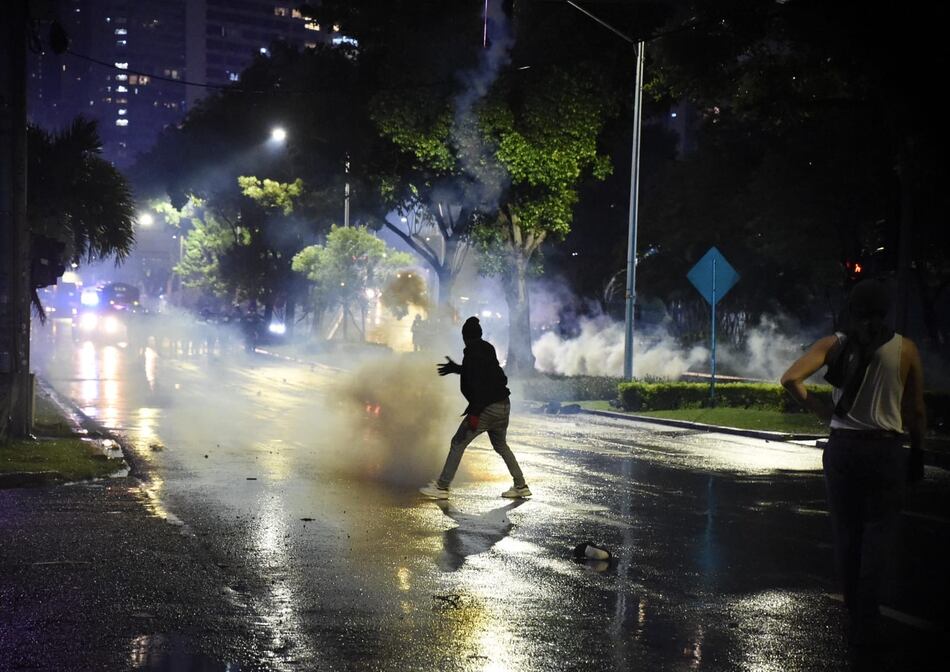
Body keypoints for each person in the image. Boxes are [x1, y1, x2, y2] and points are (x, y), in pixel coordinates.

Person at [780, 278, 927, 647]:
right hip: (886, 451)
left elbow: (791, 378)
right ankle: (868, 611)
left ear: (852, 308)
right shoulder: (906, 349)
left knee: (847, 532)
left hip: (843, 448)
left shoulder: (834, 344)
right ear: (886, 310)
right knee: (879, 532)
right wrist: (918, 451)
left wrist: (822, 411)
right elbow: (915, 409)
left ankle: (851, 605)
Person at [420, 316, 531, 500]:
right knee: (501, 446)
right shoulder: (487, 348)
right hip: (503, 405)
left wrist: (474, 413)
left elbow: (478, 385)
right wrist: (457, 368)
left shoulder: (471, 352)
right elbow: (481, 372)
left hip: (486, 408)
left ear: (465, 337)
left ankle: (442, 487)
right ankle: (521, 486)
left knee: (458, 443)